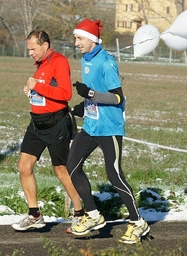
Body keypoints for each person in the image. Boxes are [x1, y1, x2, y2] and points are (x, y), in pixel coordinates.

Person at [67, 19, 150, 244]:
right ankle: (94, 215)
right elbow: (94, 94)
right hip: (92, 126)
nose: (76, 43)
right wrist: (84, 107)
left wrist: (90, 95)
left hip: (110, 128)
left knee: (114, 176)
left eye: (79, 38)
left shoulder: (106, 62)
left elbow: (116, 97)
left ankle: (138, 222)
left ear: (92, 40)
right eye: (76, 38)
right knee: (71, 167)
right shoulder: (86, 60)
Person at [12, 30, 84, 232]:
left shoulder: (59, 61)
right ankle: (34, 214)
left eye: (33, 49)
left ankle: (80, 213)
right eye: (29, 50)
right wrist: (31, 90)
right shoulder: (41, 64)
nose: (31, 53)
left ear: (45, 45)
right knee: (24, 166)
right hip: (37, 123)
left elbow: (65, 94)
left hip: (57, 124)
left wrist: (39, 87)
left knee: (61, 170)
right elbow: (43, 89)